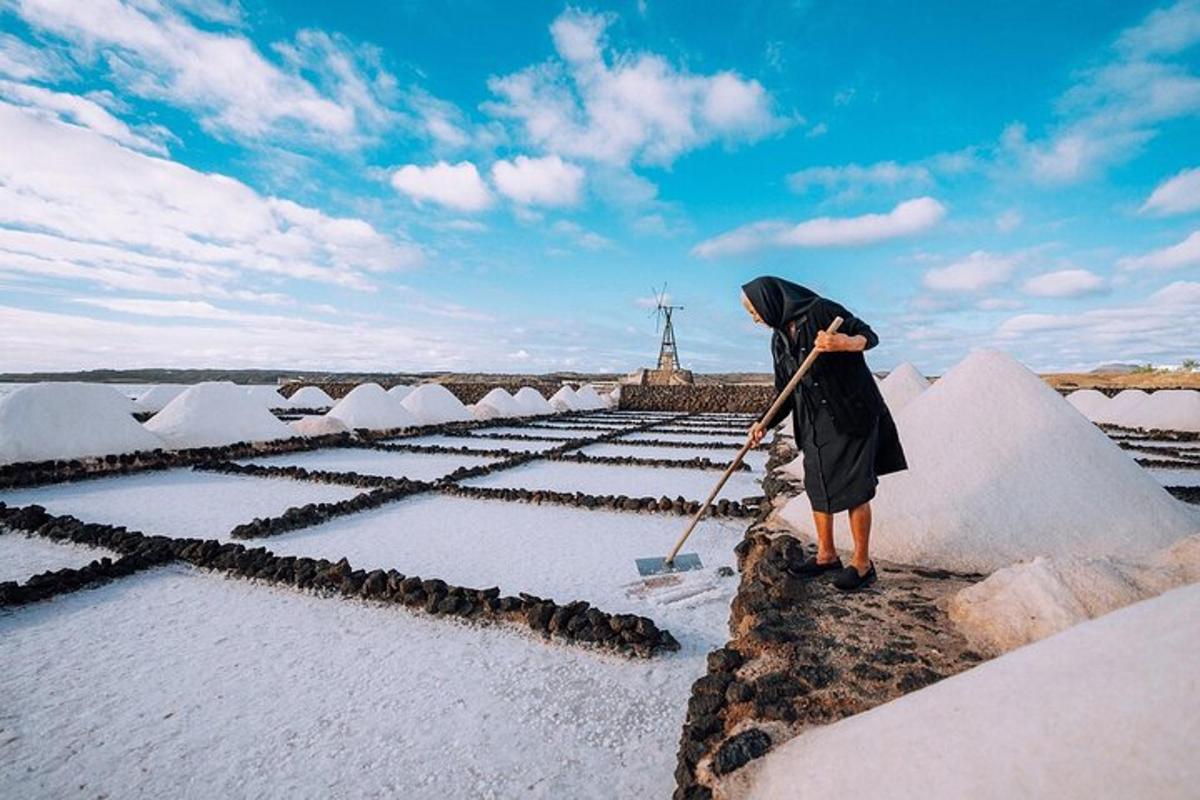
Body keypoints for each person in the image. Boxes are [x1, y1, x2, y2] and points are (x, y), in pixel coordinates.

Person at [741, 276, 907, 591]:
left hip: (851, 413)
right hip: (814, 421)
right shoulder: (778, 340)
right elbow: (784, 392)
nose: (755, 319)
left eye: (754, 311)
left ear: (770, 300)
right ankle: (826, 556)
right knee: (818, 486)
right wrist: (764, 421)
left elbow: (868, 335)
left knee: (854, 488)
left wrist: (842, 343)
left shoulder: (821, 310)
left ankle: (862, 564)